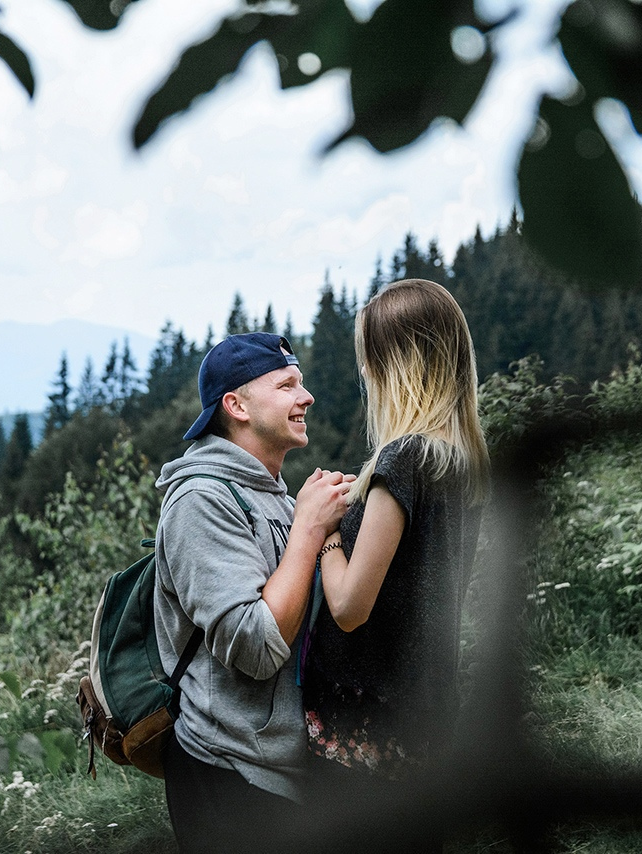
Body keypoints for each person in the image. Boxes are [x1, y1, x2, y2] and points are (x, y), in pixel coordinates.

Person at [301, 279, 490, 851]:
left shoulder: (403, 459)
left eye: (370, 362)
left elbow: (352, 607)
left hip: (363, 729)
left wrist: (326, 533)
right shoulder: (462, 461)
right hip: (425, 713)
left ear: (396, 365)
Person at [153, 331, 352, 854]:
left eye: (301, 384)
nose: (305, 397)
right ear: (236, 405)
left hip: (274, 773)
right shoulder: (200, 501)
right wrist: (309, 529)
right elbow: (257, 647)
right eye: (286, 385)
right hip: (228, 777)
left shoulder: (272, 496)